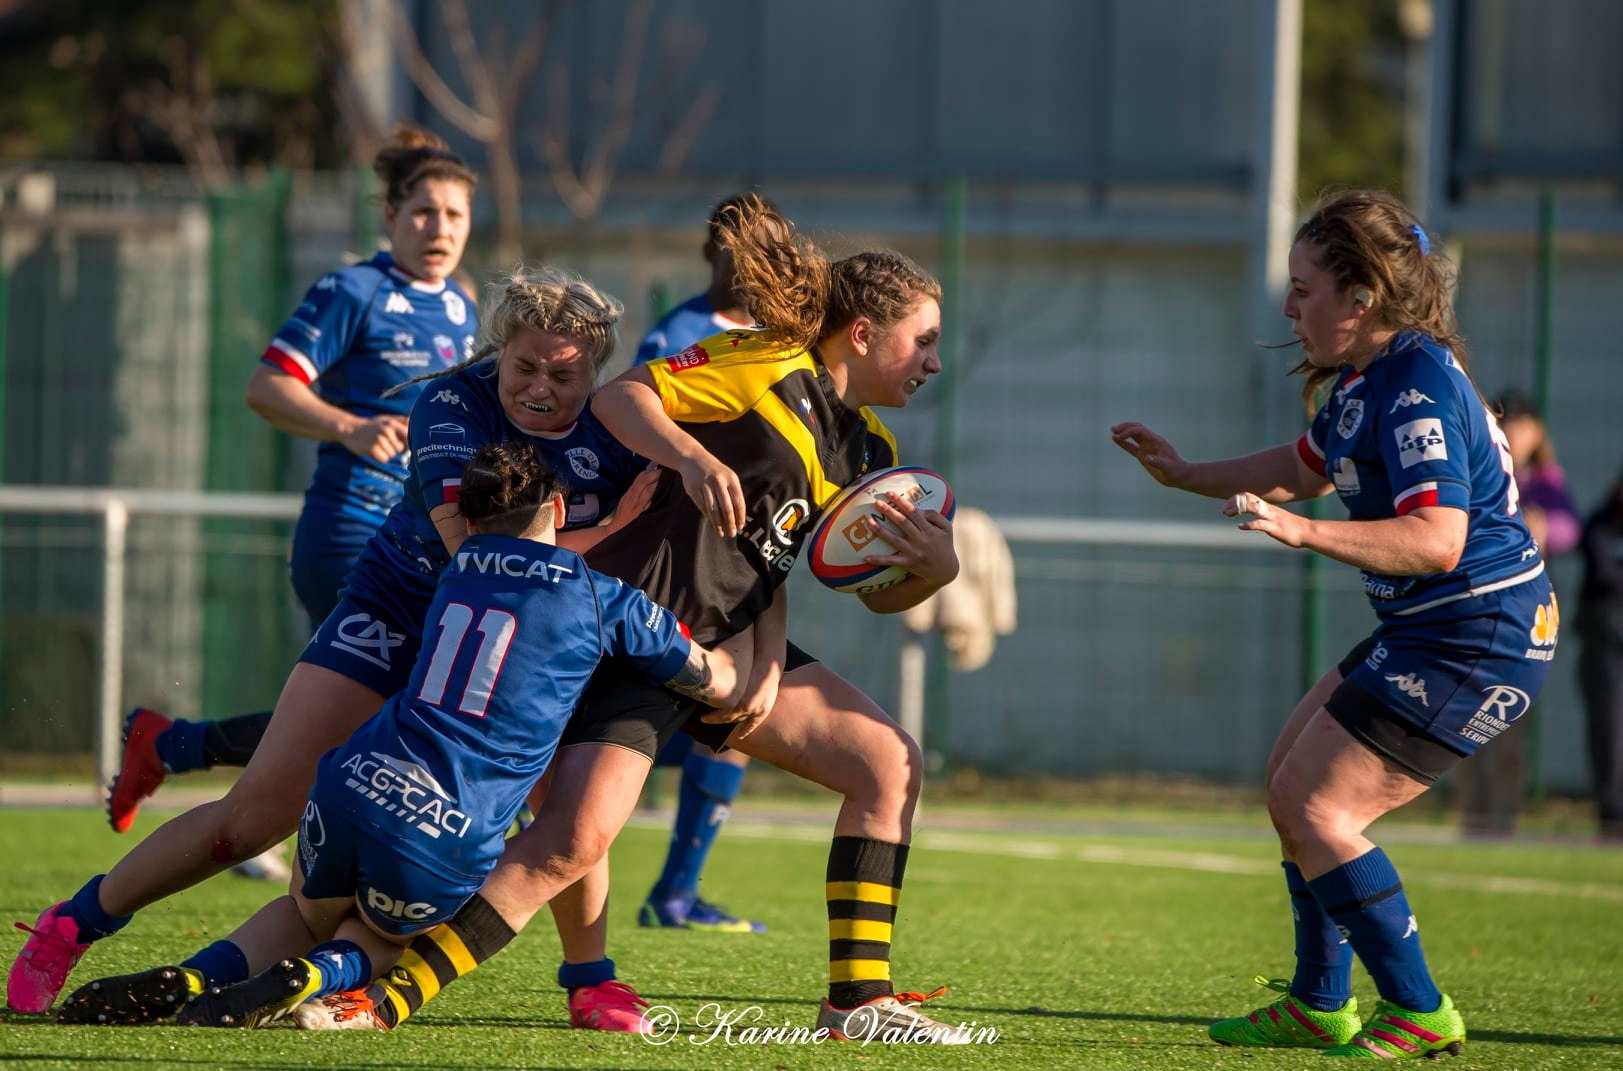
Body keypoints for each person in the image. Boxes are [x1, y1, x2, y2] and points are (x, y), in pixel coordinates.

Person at [292, 195, 973, 1043]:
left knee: (886, 762)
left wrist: (928, 573)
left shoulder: (870, 453)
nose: (935, 361)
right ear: (865, 334)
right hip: (631, 632)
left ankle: (857, 1000)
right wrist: (689, 455)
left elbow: (831, 578)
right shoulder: (767, 361)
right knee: (567, 844)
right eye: (926, 339)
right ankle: (378, 999)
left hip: (722, 646)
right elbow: (622, 398)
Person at [7, 268, 663, 1031]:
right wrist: (613, 532)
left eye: (565, 372)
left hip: (510, 637)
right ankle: (75, 923)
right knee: (248, 820)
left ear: (598, 368)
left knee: (568, 812)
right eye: (524, 366)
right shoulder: (452, 404)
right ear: (496, 352)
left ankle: (591, 981)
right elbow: (471, 557)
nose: (542, 388)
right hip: (401, 608)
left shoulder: (618, 429)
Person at [56, 441, 749, 1029]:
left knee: (303, 909)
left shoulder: (457, 570)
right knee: (388, 936)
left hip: (349, 784)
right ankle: (317, 975)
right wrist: (752, 647)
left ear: (467, 520)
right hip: (444, 823)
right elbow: (710, 680)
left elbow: (522, 564)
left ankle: (199, 976)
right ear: (562, 510)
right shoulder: (607, 601)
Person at [1111, 189, 1554, 1059]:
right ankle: (1319, 1001)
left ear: (1361, 296)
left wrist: (1303, 532)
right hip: (1436, 626)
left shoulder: (1416, 384)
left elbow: (1435, 540)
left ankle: (1419, 1008)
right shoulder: (1373, 378)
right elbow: (1300, 465)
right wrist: (1187, 472)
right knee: (1290, 783)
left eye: (1301, 288)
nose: (1286, 308)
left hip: (1474, 633)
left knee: (1315, 805)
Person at [106, 126, 479, 855]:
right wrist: (347, 425)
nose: (439, 229)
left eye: (455, 215)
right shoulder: (354, 289)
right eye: (423, 213)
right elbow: (265, 386)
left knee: (361, 709)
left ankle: (172, 746)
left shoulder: (462, 306)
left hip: (421, 536)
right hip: (350, 531)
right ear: (390, 218)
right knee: (384, 700)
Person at [634, 193, 785, 936]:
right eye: (738, 247)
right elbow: (634, 428)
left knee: (733, 720)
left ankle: (676, 892)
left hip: (744, 567)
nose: (753, 261)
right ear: (712, 253)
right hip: (674, 564)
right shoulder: (680, 334)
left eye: (769, 246)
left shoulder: (785, 341)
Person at [1455, 390, 1581, 835]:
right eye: (1507, 423)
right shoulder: (1478, 468)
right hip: (1475, 609)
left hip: (1525, 621)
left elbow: (1569, 529)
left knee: (1508, 728)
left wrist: (1545, 524)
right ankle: (1472, 820)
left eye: (1525, 425)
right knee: (1467, 726)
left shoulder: (1544, 481)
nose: (1516, 432)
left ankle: (1502, 821)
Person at [1579, 468, 1623, 841]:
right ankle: (1612, 816)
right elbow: (1604, 574)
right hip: (1606, 645)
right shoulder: (1603, 523)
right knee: (1609, 731)